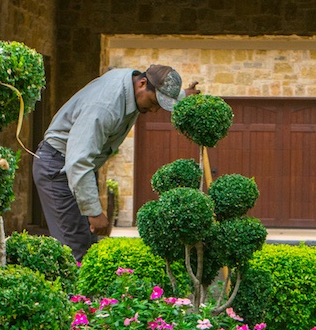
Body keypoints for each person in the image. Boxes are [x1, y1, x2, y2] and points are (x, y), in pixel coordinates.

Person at [34, 64, 197, 261]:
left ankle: (83, 292)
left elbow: (156, 91)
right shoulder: (105, 107)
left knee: (87, 244)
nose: (154, 110)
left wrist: (182, 96)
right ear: (142, 84)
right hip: (58, 167)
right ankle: (68, 292)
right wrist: (94, 212)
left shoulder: (134, 82)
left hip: (75, 164)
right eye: (155, 103)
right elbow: (78, 161)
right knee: (73, 247)